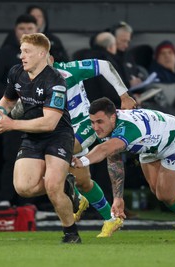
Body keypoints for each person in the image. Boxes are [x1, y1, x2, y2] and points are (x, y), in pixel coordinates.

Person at [72, 97, 175, 242]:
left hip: (174, 141)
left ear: (113, 117)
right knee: (155, 189)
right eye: (93, 122)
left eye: (99, 122)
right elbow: (114, 162)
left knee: (166, 195)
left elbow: (104, 149)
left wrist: (83, 161)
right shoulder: (108, 127)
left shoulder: (128, 129)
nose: (95, 128)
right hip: (149, 146)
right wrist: (118, 197)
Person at [0, 33, 81, 243]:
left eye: (27, 51)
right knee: (23, 188)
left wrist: (11, 124)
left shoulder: (55, 81)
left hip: (58, 136)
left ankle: (71, 233)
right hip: (32, 135)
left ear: (42, 54)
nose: (22, 56)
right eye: (21, 51)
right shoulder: (16, 73)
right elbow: (8, 102)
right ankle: (66, 185)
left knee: (51, 187)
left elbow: (49, 123)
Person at [52, 58, 136, 237]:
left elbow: (104, 66)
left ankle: (77, 196)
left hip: (84, 123)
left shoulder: (68, 71)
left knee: (57, 152)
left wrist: (123, 95)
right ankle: (110, 219)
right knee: (84, 182)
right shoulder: (28, 79)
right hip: (59, 129)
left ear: (48, 58)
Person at [0, 14, 37, 208]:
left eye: (30, 28)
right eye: (22, 29)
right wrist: (12, 98)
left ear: (38, 30)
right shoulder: (6, 54)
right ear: (15, 31)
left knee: (35, 157)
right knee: (12, 157)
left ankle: (29, 202)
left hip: (40, 116)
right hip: (14, 114)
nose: (26, 32)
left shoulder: (46, 54)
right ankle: (5, 198)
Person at [112, 22, 144, 88]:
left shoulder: (128, 56)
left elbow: (136, 72)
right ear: (113, 39)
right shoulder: (108, 58)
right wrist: (128, 84)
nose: (126, 45)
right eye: (123, 41)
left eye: (128, 41)